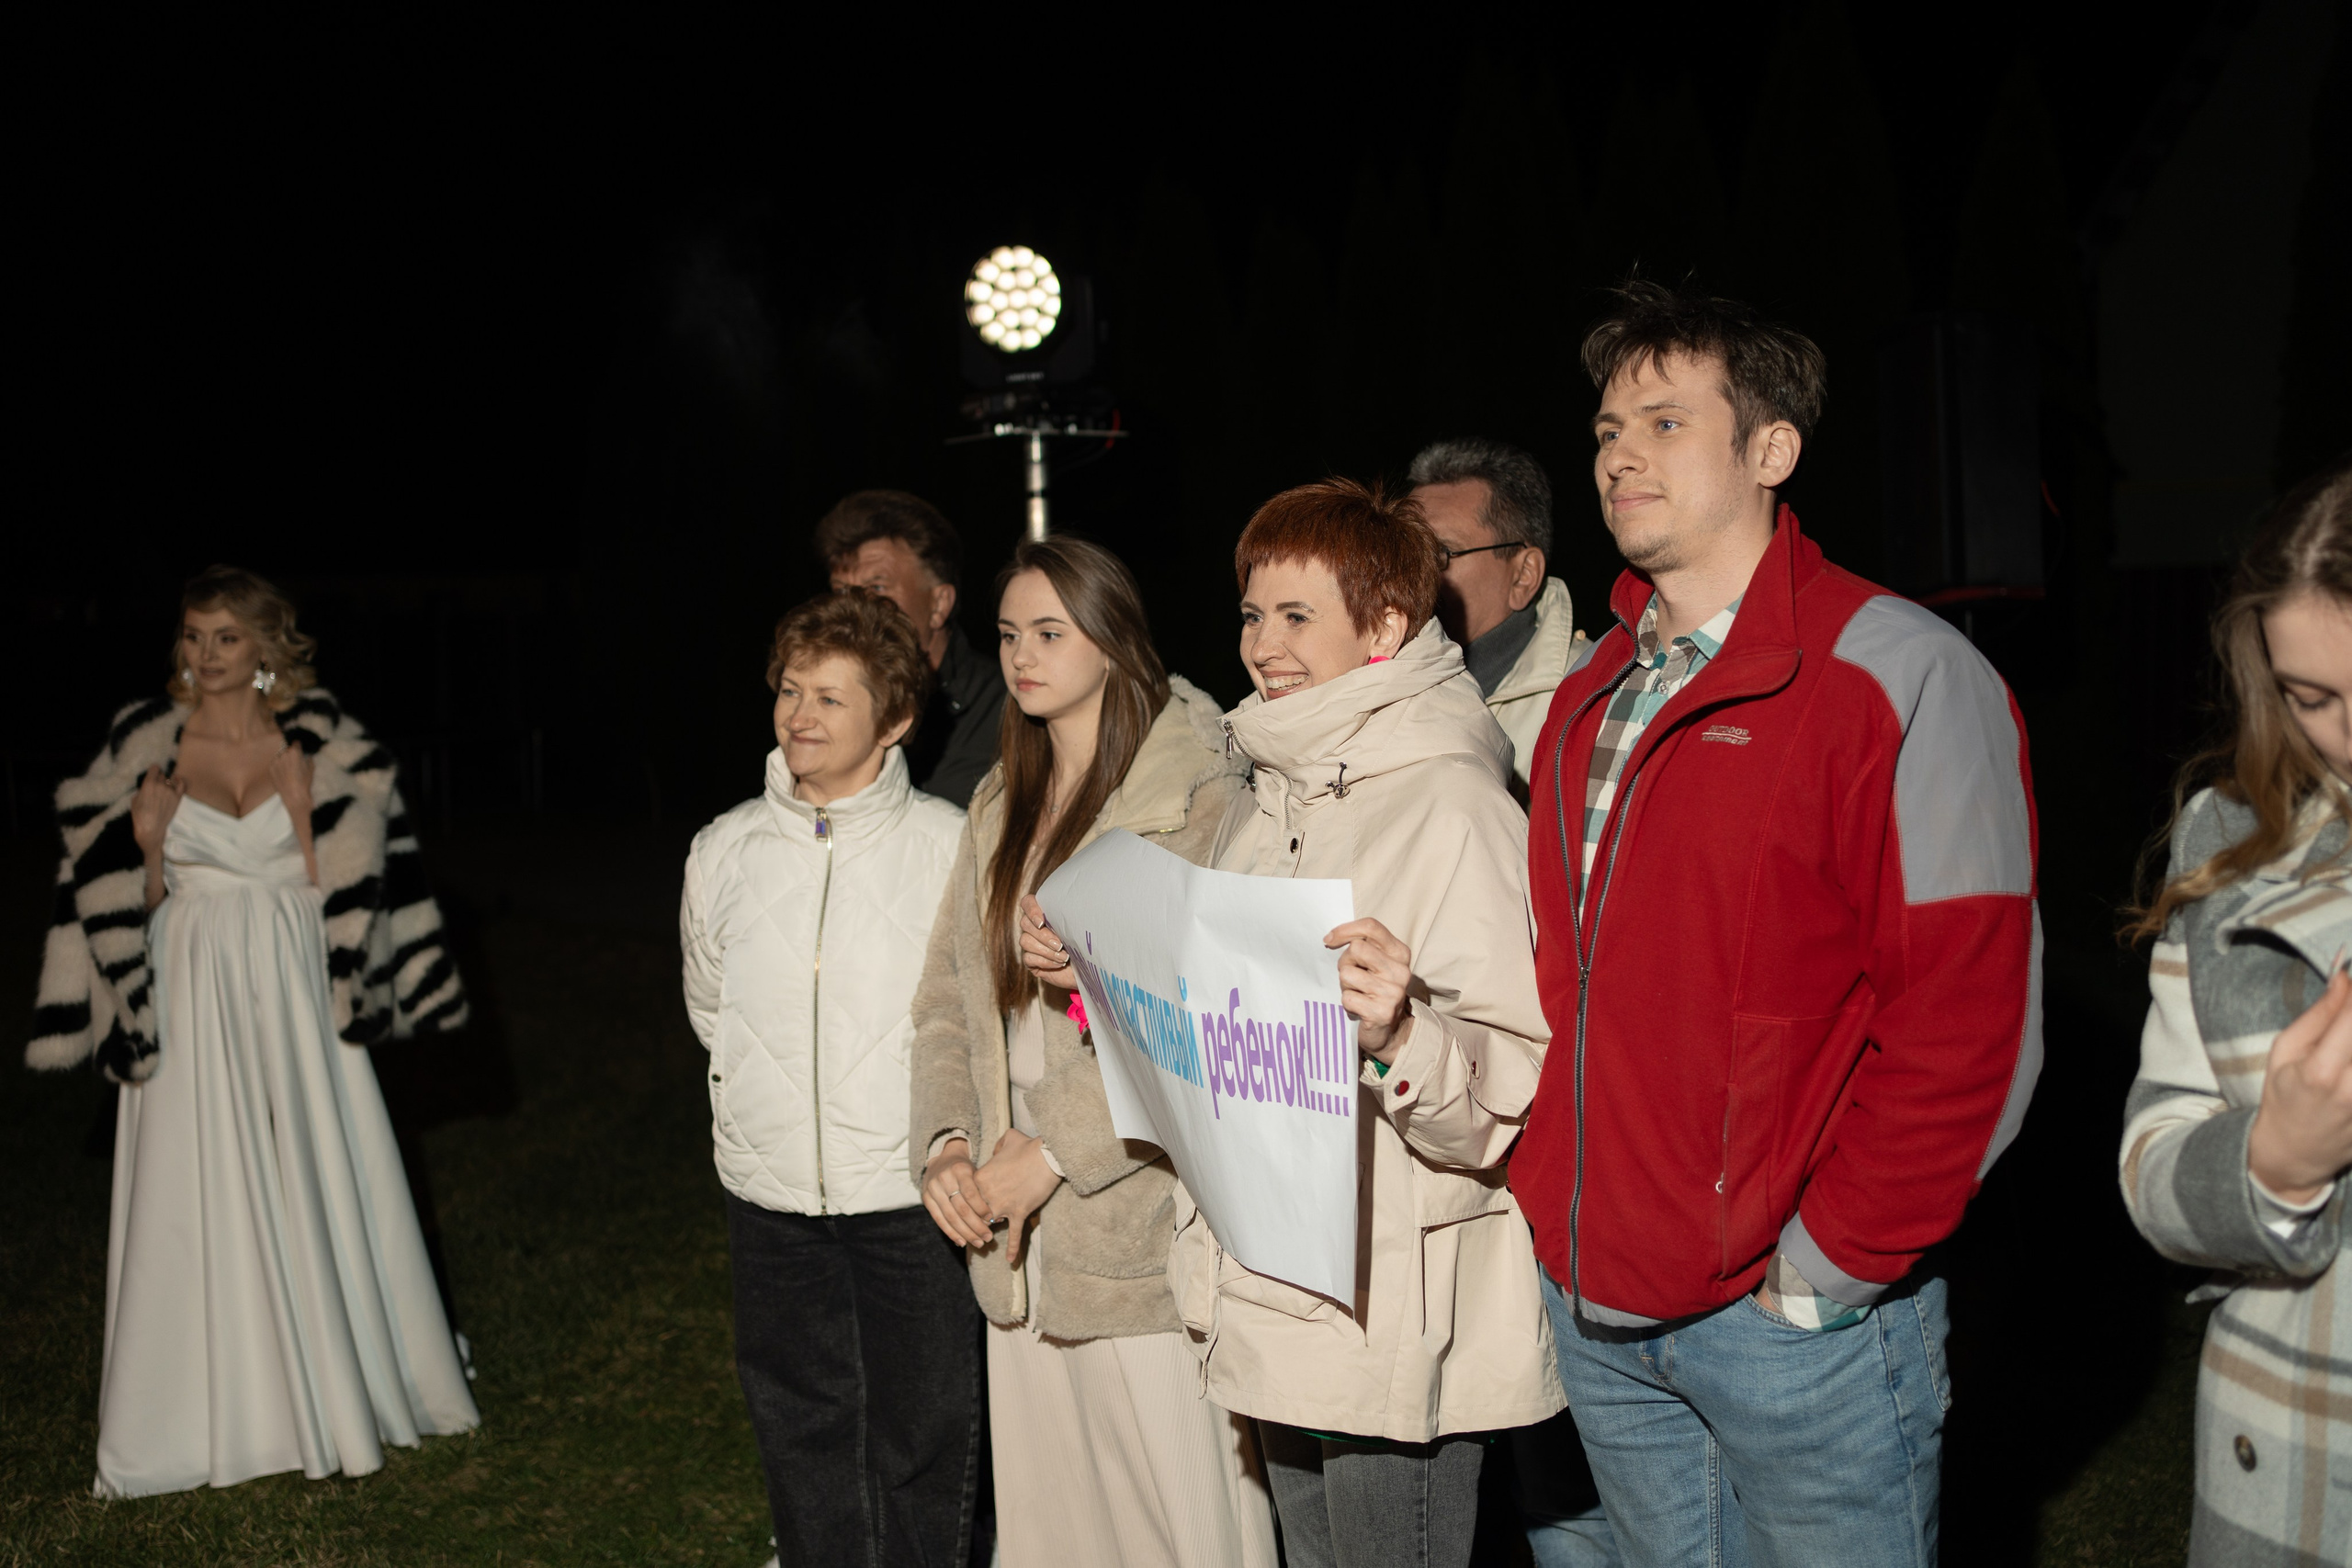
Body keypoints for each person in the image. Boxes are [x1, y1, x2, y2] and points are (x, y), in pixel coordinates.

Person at [1511, 280, 2041, 1567]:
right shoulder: (1590, 688)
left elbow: (1968, 1028)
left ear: (1770, 449)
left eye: (1662, 420)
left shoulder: (1903, 673)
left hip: (1798, 1324)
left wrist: (1825, 1269)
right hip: (1597, 1303)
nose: (1618, 453)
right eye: (1603, 429)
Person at [1155, 478, 1562, 1568]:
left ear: (1385, 626)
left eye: (1297, 615)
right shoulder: (1269, 791)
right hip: (1274, 1273)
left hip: (1386, 1291)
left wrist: (1401, 1037)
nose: (1262, 646)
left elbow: (1511, 1084)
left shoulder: (1453, 803)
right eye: (1251, 612)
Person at [28, 566, 478, 1498]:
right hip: (188, 976)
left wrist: (308, 811)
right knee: (198, 1174)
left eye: (226, 638)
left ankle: (339, 1371)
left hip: (293, 973)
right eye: (193, 637)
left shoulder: (317, 737)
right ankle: (209, 1401)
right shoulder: (144, 743)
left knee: (312, 1162)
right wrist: (149, 842)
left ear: (269, 645)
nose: (205, 655)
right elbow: (125, 909)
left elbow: (349, 887)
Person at [908, 535, 1275, 1568]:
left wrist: (1052, 1148)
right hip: (1010, 1222)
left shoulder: (1198, 798)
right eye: (1010, 635)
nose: (1023, 657)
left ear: (1113, 641)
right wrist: (946, 1144)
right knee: (1056, 1524)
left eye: (1051, 633)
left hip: (1138, 1221)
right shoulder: (997, 801)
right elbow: (945, 1000)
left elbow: (1207, 1022)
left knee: (1172, 1519)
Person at [680, 591, 977, 1568]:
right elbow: (711, 1006)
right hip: (769, 1195)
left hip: (906, 1196)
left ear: (894, 719)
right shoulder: (724, 850)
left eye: (831, 698)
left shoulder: (948, 847)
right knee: (800, 1423)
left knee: (924, 1432)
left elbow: (975, 1022)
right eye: (791, 690)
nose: (800, 714)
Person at [2120, 457, 2352, 1566]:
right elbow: (2150, 1164)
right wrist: (2276, 1161)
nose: (2346, 736)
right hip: (2294, 1466)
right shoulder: (2233, 840)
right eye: (2312, 699)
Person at [1408, 437, 1589, 789]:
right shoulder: (1362, 682)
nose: (1410, 574)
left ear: (1523, 576)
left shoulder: (1588, 701)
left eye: (1441, 552)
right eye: (1403, 550)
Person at [817, 490, 1000, 807]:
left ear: (939, 603)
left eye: (877, 588)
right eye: (843, 591)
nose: (854, 608)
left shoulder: (1010, 711)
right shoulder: (818, 701)